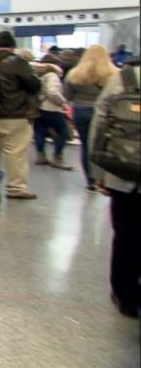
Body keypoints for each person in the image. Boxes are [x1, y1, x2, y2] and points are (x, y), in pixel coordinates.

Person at [88, 57, 139, 318]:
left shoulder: (123, 79)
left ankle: (126, 296)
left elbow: (100, 126)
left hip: (124, 173)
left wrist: (98, 174)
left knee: (126, 235)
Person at [0, 31, 41, 200]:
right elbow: (34, 85)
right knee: (16, 153)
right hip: (16, 114)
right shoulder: (17, 62)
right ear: (12, 47)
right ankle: (16, 188)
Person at [65, 44, 119, 191]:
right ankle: (104, 179)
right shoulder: (114, 74)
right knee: (105, 145)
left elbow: (67, 96)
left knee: (86, 146)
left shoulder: (74, 73)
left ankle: (90, 181)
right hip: (105, 112)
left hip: (81, 111)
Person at [30, 54, 73, 170]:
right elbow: (52, 92)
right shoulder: (52, 75)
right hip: (51, 108)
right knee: (63, 132)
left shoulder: (38, 74)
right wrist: (63, 102)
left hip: (39, 107)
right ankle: (58, 158)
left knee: (40, 132)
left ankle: (41, 155)